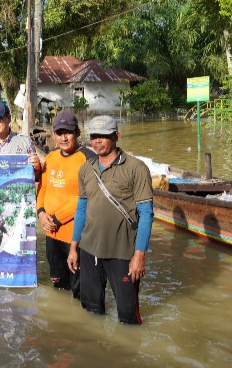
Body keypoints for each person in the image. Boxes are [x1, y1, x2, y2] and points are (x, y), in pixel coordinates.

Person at [67, 115, 154, 324]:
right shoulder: (86, 168)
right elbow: (81, 209)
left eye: (103, 136)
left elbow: (147, 213)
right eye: (94, 136)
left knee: (127, 315)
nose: (97, 141)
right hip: (89, 249)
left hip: (122, 253)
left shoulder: (136, 168)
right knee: (91, 309)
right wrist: (74, 247)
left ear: (116, 136)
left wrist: (139, 255)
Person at [32, 110, 94, 298]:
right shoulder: (51, 157)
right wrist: (41, 213)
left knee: (79, 288)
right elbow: (42, 188)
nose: (64, 137)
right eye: (59, 133)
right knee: (58, 285)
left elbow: (86, 197)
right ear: (53, 135)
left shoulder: (88, 158)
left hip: (75, 235)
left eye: (68, 132)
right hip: (51, 232)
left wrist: (57, 219)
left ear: (78, 132)